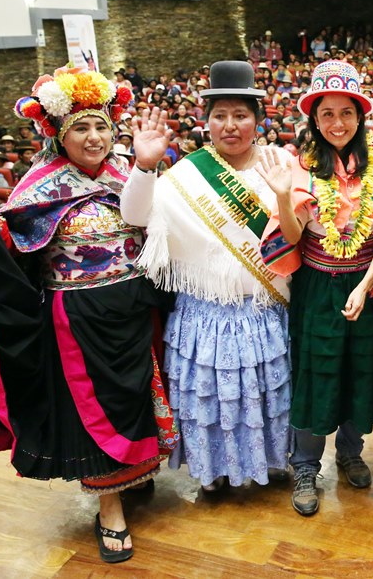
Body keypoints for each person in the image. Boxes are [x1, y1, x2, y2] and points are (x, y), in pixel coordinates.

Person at [0, 68, 173, 564]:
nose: (94, 138)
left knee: (136, 398)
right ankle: (109, 508)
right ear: (58, 133)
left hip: (134, 307)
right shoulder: (37, 186)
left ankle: (136, 474)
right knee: (97, 409)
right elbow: (17, 256)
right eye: (80, 129)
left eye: (100, 127)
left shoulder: (130, 170)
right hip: (77, 316)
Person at [120, 61, 294, 493]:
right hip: (204, 314)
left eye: (241, 115)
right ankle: (214, 471)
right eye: (220, 115)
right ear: (207, 121)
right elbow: (135, 215)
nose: (230, 125)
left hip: (262, 308)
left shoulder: (280, 162)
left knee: (262, 396)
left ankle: (269, 463)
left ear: (258, 119)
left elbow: (298, 235)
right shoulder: (185, 176)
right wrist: (144, 167)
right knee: (209, 399)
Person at [257, 60, 373, 517]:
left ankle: (349, 450)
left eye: (346, 113)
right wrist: (283, 196)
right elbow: (294, 236)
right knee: (315, 372)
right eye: (327, 114)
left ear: (360, 117)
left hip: (365, 285)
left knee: (359, 368)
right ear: (314, 120)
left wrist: (364, 286)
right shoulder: (301, 169)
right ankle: (305, 465)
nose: (337, 123)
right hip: (318, 287)